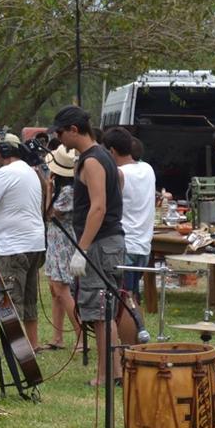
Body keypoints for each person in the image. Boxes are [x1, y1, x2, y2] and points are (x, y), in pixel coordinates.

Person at [53, 105, 125, 387]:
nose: (59, 139)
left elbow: (98, 208)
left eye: (60, 133)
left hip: (99, 243)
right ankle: (114, 372)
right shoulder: (104, 157)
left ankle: (106, 375)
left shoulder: (93, 160)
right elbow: (118, 183)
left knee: (99, 311)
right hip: (108, 241)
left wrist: (82, 249)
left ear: (73, 129)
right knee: (104, 311)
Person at [0, 133, 46, 348]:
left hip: (13, 246)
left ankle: (16, 351)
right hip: (34, 243)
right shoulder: (28, 170)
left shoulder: (6, 172)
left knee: (9, 301)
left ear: (7, 150)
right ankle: (32, 346)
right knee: (28, 300)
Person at [103, 126, 156, 300]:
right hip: (144, 245)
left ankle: (137, 328)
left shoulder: (119, 174)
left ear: (111, 150)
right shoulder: (148, 169)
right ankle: (138, 327)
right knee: (132, 297)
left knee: (123, 299)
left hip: (125, 244)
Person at [41, 145, 83, 352]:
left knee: (62, 289)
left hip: (63, 242)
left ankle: (81, 336)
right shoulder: (64, 188)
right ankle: (57, 337)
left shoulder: (68, 191)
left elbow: (49, 214)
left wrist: (48, 190)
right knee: (54, 289)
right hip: (55, 240)